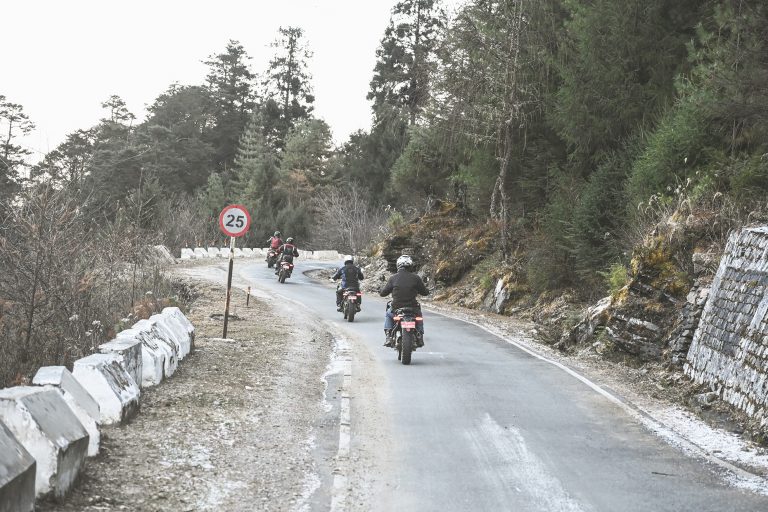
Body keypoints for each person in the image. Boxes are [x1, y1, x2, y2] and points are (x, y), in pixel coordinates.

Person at [379, 254, 429, 347]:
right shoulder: (416, 278)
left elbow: (383, 293)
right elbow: (425, 292)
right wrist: (426, 289)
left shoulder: (393, 278)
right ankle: (420, 336)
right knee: (419, 316)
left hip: (396, 307)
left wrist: (381, 290)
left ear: (398, 265)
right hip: (412, 308)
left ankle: (388, 336)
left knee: (389, 314)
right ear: (410, 265)